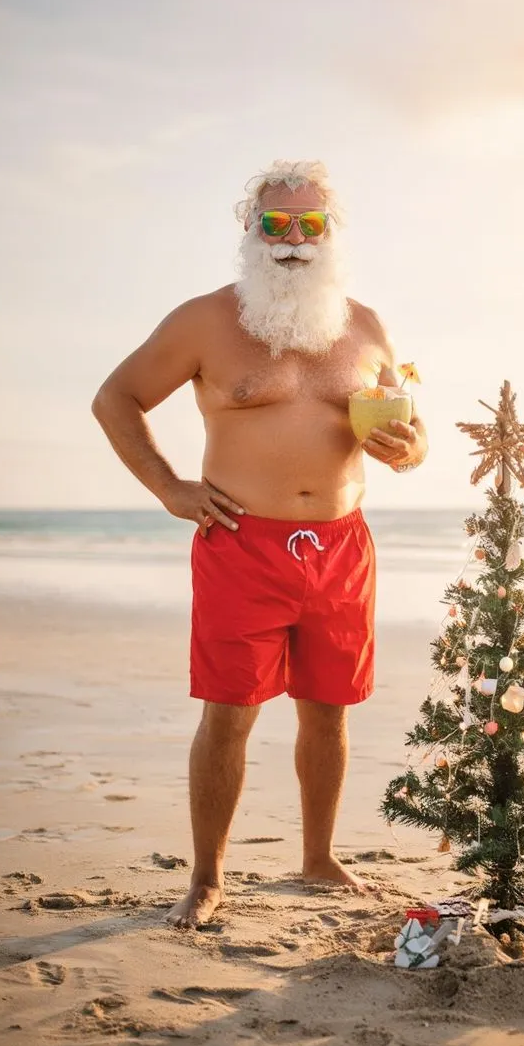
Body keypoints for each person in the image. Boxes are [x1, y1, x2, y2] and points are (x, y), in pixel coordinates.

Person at [92, 159, 428, 928]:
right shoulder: (204, 322)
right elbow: (116, 398)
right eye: (276, 223)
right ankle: (207, 877)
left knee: (329, 712)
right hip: (242, 544)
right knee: (229, 714)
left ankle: (318, 857)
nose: (293, 239)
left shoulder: (367, 327)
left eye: (310, 224)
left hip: (343, 548)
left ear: (330, 233)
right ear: (251, 230)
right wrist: (169, 487)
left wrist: (410, 449)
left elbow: (414, 431)